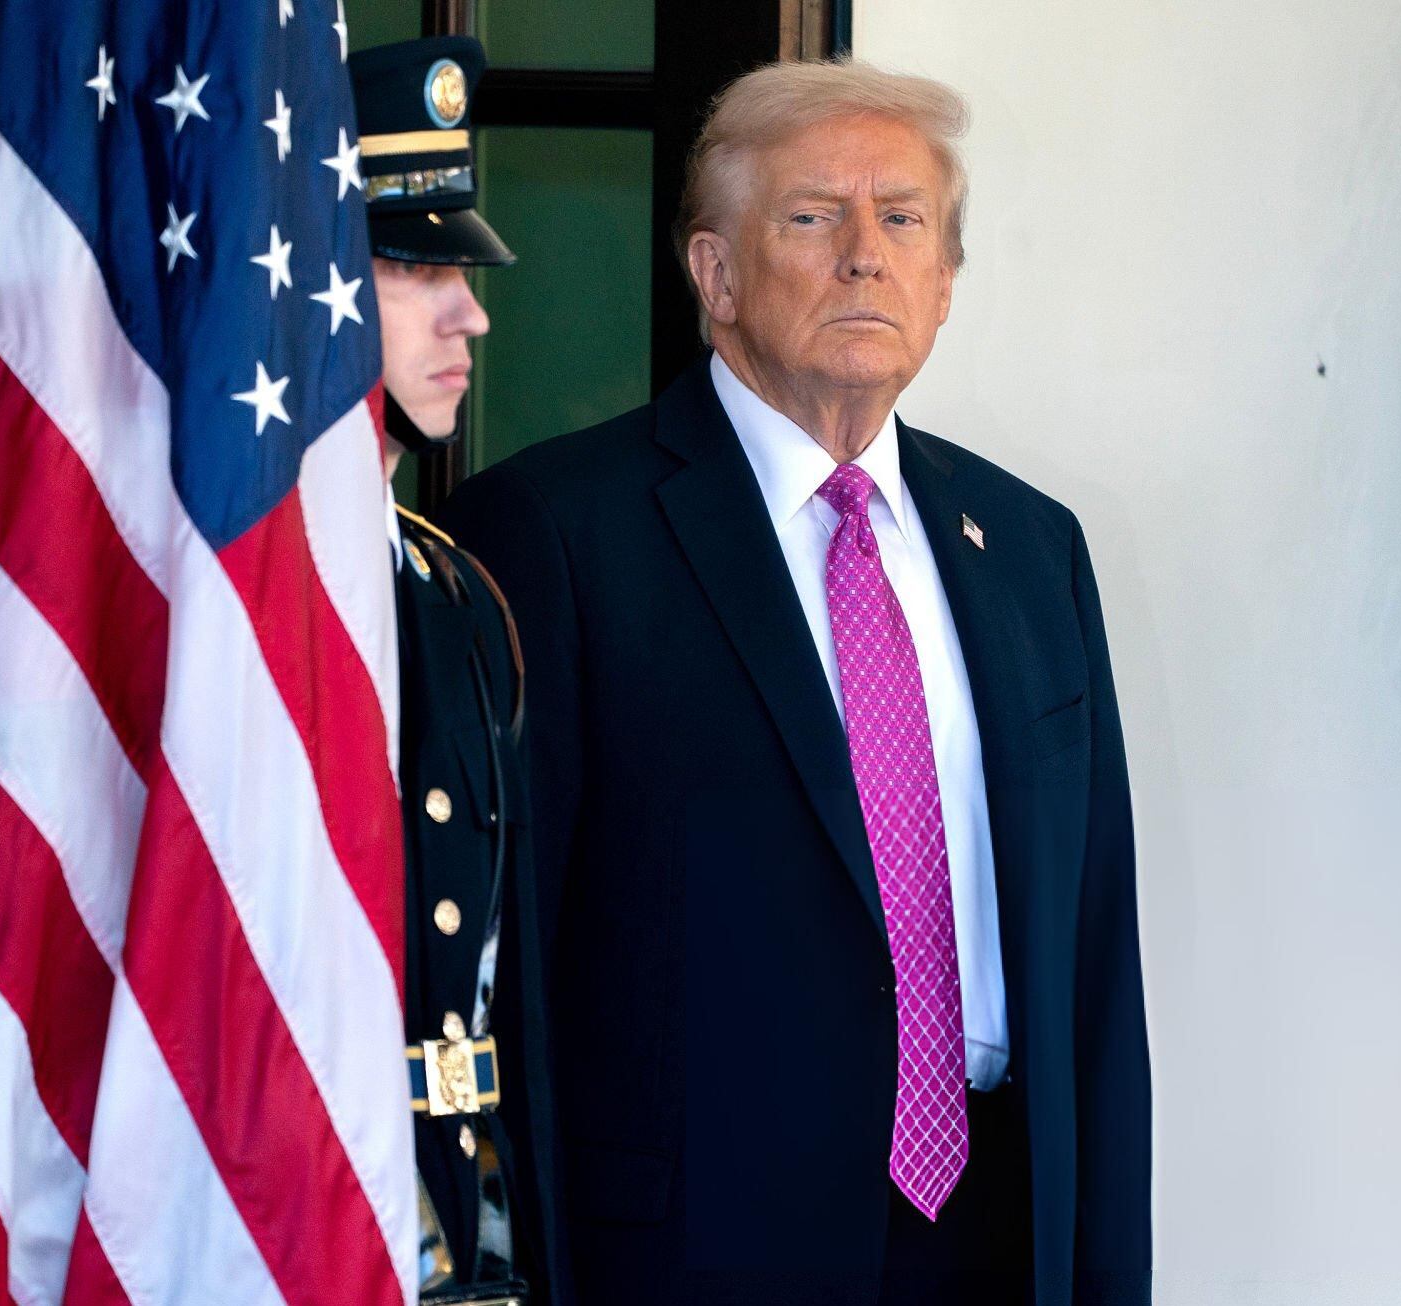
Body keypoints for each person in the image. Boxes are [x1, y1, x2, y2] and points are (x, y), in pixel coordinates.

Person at [438, 56, 1150, 1305]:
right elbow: (510, 986)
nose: (865, 254)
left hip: (994, 1237)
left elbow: (1093, 972)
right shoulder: (552, 532)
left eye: (903, 219)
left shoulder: (1033, 548)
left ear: (944, 283)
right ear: (713, 271)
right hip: (691, 1249)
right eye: (813, 216)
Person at [351, 36, 563, 1306]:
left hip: (458, 1217)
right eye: (415, 267)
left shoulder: (457, 589)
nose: (468, 310)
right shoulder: (243, 615)